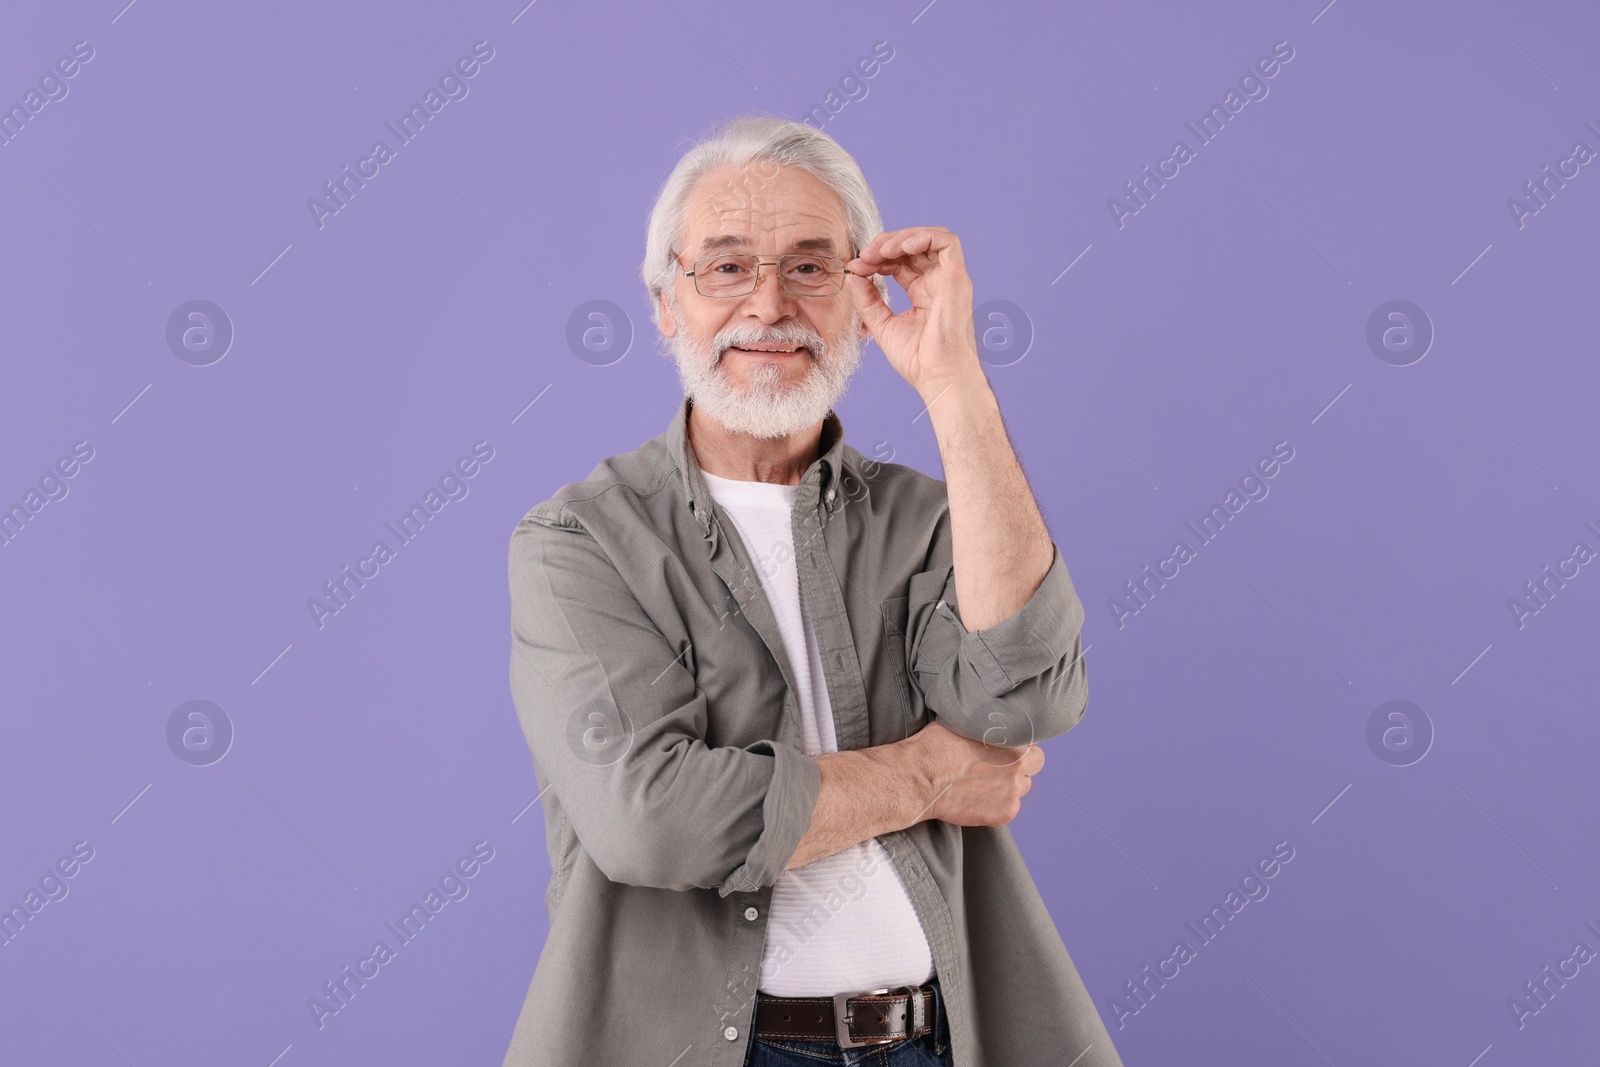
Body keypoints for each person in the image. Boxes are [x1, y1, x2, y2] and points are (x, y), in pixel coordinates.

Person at [501, 115, 1124, 1067]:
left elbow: (1026, 698)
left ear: (859, 298)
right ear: (667, 302)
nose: (769, 304)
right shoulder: (580, 542)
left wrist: (953, 385)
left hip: (934, 1040)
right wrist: (928, 773)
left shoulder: (922, 518)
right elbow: (655, 819)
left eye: (808, 267)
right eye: (726, 267)